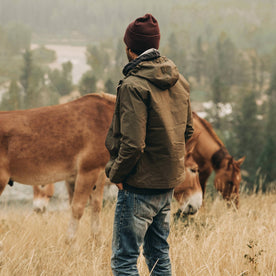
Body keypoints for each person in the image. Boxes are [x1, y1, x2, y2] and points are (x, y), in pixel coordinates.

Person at [105, 13, 194, 276]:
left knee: (124, 261)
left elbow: (132, 144)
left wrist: (116, 174)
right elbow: (188, 130)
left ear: (130, 49)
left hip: (137, 186)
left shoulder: (133, 86)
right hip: (166, 184)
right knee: (159, 256)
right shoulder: (179, 81)